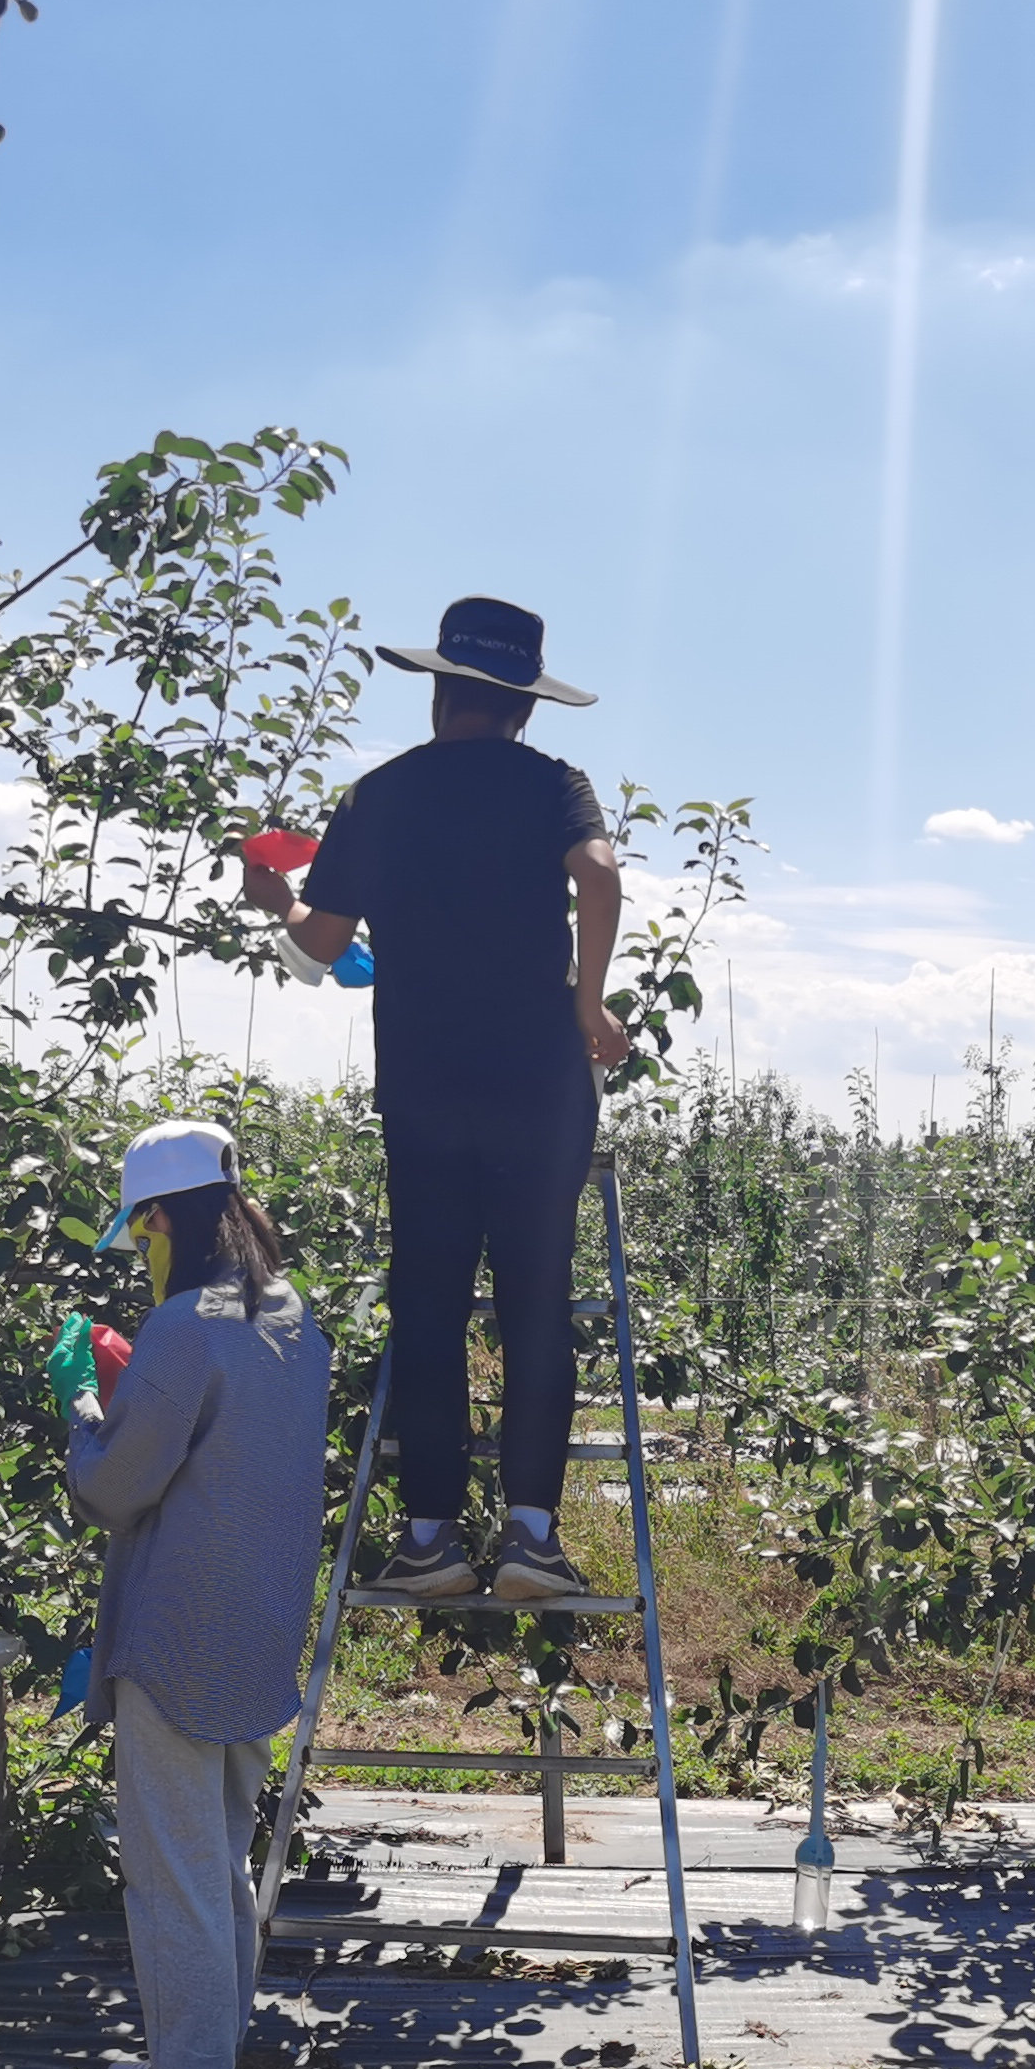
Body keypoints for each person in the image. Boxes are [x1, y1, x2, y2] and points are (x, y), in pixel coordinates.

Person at [241, 595, 630, 1604]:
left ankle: (431, 1541)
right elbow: (598, 871)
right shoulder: (556, 786)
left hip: (425, 1084)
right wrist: (587, 1001)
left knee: (431, 1299)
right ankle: (534, 1542)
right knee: (539, 1299)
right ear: (524, 709)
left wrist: (276, 904)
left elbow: (320, 950)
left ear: (439, 692)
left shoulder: (383, 794)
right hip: (541, 1084)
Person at [60, 1120, 329, 2069]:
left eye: (139, 1229)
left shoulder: (181, 1328)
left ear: (163, 1217)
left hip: (177, 1632)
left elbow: (119, 1485)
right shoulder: (291, 1318)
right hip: (260, 1626)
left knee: (169, 1865)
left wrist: (84, 1404)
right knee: (214, 1856)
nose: (139, 1248)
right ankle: (195, 2053)